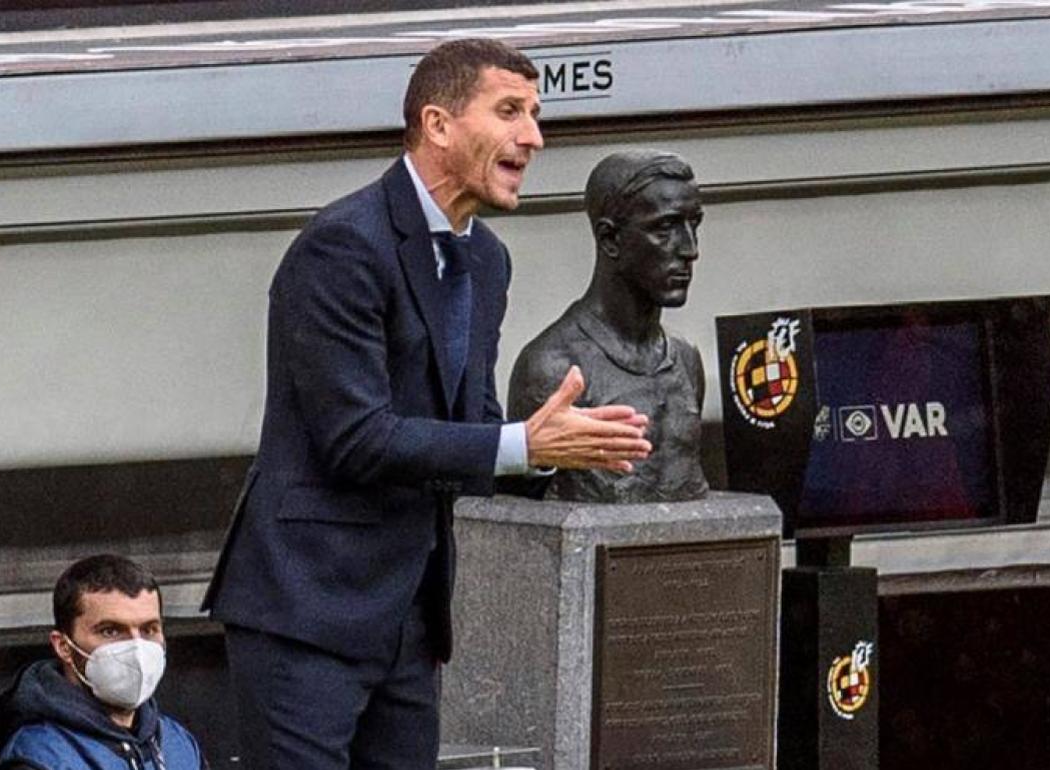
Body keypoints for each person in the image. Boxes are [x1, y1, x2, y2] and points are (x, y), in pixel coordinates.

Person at [200, 38, 651, 770]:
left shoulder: (486, 259)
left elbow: (462, 426)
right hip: (307, 611)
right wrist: (520, 445)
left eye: (536, 115)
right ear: (438, 125)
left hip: (410, 617)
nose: (533, 137)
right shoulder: (342, 248)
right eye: (509, 112)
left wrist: (552, 449)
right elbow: (356, 439)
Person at [508, 150, 709, 502]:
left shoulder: (686, 360)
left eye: (694, 224)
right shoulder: (552, 368)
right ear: (610, 240)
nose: (690, 250)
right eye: (665, 227)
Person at [0, 554, 206, 770]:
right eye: (110, 631)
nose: (137, 648)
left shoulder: (178, 744)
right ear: (63, 646)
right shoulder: (39, 758)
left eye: (149, 629)